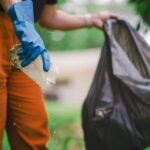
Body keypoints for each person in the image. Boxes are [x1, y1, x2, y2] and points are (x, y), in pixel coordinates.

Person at [0, 0, 117, 149]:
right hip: (15, 25)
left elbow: (48, 16)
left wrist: (91, 19)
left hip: (24, 44)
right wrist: (22, 20)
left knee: (32, 133)